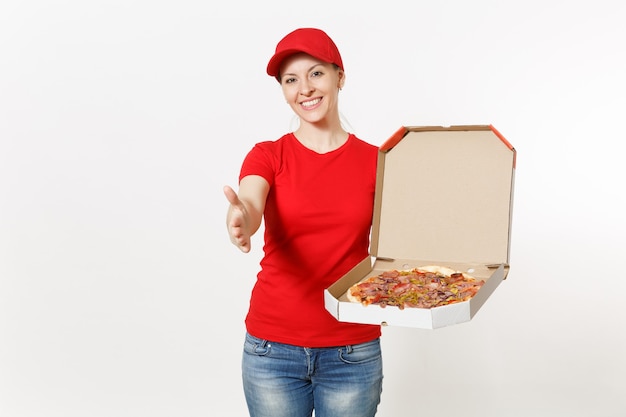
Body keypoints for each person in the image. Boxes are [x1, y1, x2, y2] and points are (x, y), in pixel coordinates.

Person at [223, 27, 383, 417]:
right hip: (271, 351)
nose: (305, 89)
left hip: (352, 350)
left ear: (339, 77)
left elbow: (410, 238)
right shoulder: (268, 155)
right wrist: (242, 214)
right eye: (291, 80)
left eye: (316, 74)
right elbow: (251, 198)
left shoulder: (378, 161)